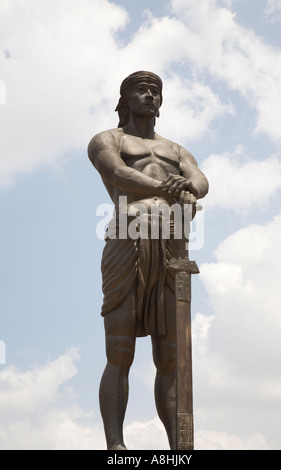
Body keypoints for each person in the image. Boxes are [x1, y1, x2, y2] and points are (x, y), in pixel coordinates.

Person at [88, 71, 209, 450]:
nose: (150, 95)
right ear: (123, 100)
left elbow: (201, 181)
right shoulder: (108, 139)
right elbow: (117, 173)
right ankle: (115, 446)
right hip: (129, 234)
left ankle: (180, 447)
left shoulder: (176, 150)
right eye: (141, 90)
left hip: (174, 242)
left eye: (156, 91)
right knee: (121, 347)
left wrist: (188, 187)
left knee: (172, 354)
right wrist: (167, 187)